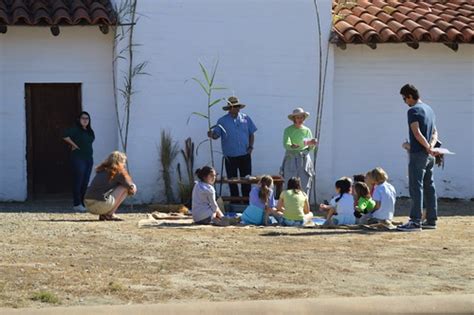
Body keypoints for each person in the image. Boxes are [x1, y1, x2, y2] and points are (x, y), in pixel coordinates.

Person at [397, 84, 438, 232]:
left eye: (404, 99)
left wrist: (426, 146)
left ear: (409, 96)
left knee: (416, 187)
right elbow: (435, 133)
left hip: (418, 153)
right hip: (429, 155)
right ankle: (431, 220)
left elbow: (416, 132)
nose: (405, 102)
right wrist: (431, 147)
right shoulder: (429, 109)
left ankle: (415, 221)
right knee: (429, 187)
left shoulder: (413, 111)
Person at [208, 96, 257, 198]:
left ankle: (247, 202)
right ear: (229, 108)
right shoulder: (222, 121)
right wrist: (211, 135)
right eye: (234, 106)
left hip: (245, 154)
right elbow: (216, 135)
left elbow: (251, 133)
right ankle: (235, 201)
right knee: (232, 181)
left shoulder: (246, 118)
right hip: (230, 156)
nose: (236, 108)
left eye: (237, 106)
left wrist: (251, 147)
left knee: (246, 180)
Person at [84, 151, 137, 221]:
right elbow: (131, 188)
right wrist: (133, 187)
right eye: (124, 162)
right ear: (120, 162)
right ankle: (109, 215)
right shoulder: (119, 171)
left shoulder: (102, 170)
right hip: (99, 205)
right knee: (124, 188)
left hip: (88, 205)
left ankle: (105, 215)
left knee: (112, 190)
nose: (124, 165)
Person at [63, 111, 95, 212]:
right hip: (78, 158)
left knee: (85, 181)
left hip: (89, 158)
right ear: (79, 119)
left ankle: (82, 203)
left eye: (87, 118)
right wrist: (74, 145)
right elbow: (65, 135)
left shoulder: (90, 131)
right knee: (79, 180)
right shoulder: (75, 130)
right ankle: (77, 204)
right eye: (83, 118)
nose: (85, 120)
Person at [281, 108, 317, 195]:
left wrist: (313, 143)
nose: (300, 119)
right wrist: (291, 146)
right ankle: (288, 204)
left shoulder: (307, 130)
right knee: (290, 182)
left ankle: (304, 205)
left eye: (301, 117)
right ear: (294, 119)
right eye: (297, 117)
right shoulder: (288, 130)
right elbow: (286, 143)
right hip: (291, 158)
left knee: (304, 184)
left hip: (304, 159)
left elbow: (309, 146)